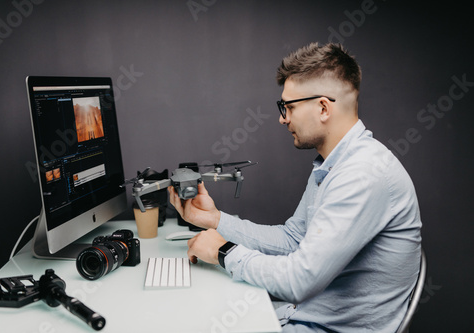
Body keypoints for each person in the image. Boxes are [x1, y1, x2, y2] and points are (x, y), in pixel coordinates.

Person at [168, 42, 422, 332]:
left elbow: (299, 281)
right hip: (300, 317)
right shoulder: (334, 165)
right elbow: (293, 240)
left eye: (288, 106)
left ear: (323, 107)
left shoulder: (362, 174)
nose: (282, 118)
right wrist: (214, 220)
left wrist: (223, 251)